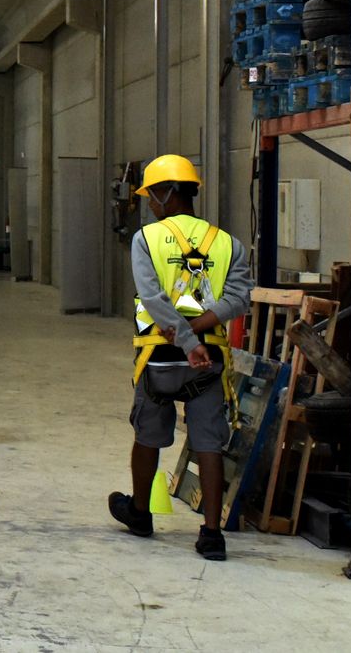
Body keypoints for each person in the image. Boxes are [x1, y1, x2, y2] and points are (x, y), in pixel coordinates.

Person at [108, 154, 252, 562]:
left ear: (166, 193)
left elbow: (153, 299)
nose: (151, 204)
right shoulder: (228, 244)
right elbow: (239, 298)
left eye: (152, 196)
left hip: (160, 357)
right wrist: (201, 334)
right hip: (209, 361)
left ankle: (139, 513)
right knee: (209, 442)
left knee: (147, 433)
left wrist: (187, 342)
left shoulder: (146, 239)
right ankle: (211, 534)